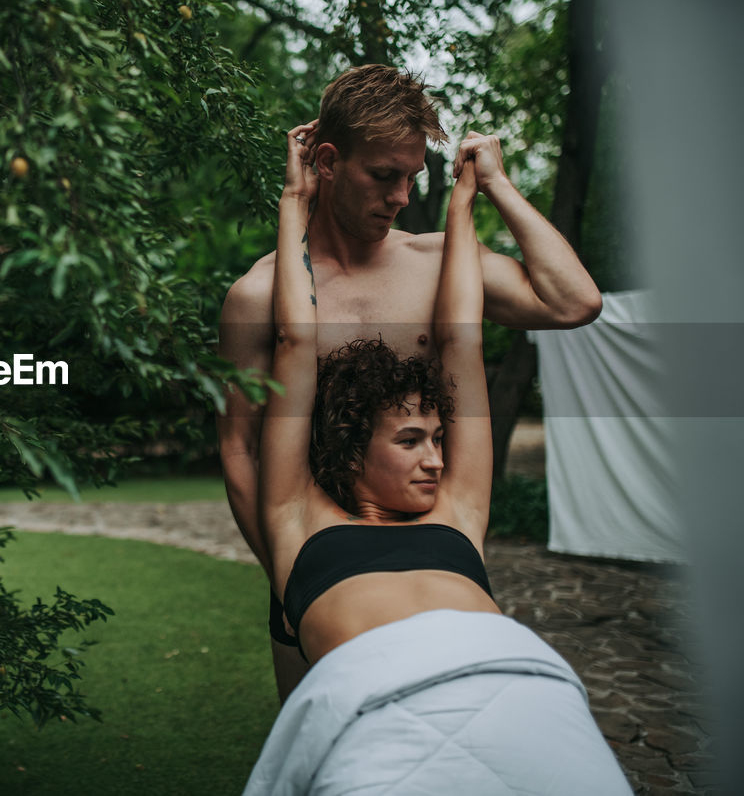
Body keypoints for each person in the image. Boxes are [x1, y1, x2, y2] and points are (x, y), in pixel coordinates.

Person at [241, 122, 628, 794]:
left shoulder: (456, 509)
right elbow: (296, 345)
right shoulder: (296, 520)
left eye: (438, 438)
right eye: (412, 441)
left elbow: (462, 342)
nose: (436, 459)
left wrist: (477, 192)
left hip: (513, 678)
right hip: (372, 691)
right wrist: (291, 203)